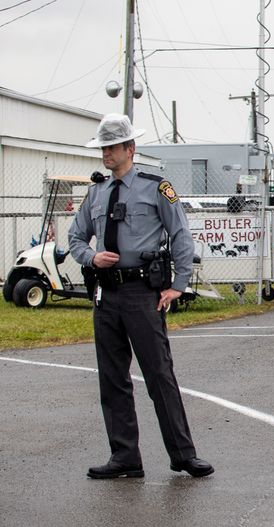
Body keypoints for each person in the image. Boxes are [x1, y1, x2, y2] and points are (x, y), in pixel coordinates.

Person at [68, 113, 213, 479]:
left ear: (130, 148)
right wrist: (91, 256)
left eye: (112, 147)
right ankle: (125, 457)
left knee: (159, 375)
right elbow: (75, 238)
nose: (106, 154)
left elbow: (180, 234)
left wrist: (179, 284)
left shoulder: (156, 187)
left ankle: (183, 454)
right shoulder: (97, 191)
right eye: (103, 147)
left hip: (141, 294)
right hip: (107, 294)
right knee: (112, 379)